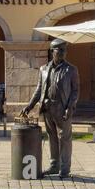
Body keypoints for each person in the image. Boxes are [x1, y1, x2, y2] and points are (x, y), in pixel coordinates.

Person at [21, 39, 79, 178]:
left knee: (64, 138)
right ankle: (54, 166)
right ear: (52, 51)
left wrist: (70, 107)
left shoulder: (71, 69)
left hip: (62, 108)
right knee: (52, 137)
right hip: (47, 107)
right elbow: (39, 89)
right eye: (60, 50)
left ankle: (65, 169)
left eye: (65, 50)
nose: (64, 53)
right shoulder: (44, 69)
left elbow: (75, 91)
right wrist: (29, 106)